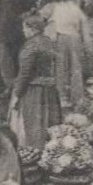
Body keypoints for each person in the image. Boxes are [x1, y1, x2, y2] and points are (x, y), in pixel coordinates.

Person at [9, 12, 62, 149]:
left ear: (32, 29)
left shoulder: (31, 46)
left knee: (34, 126)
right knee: (50, 124)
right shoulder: (49, 42)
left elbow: (25, 73)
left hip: (34, 91)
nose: (23, 30)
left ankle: (36, 154)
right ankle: (51, 154)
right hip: (50, 89)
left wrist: (16, 95)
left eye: (25, 28)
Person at [43, 0, 90, 106]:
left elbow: (81, 9)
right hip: (57, 30)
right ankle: (61, 96)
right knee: (60, 64)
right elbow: (44, 12)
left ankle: (76, 96)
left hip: (73, 30)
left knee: (76, 63)